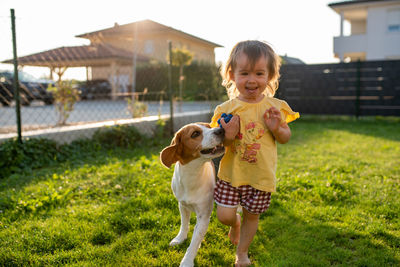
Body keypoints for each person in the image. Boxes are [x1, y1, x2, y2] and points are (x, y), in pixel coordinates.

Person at [210, 40, 299, 266]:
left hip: (260, 177)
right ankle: (234, 224)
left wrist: (277, 128)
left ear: (270, 76)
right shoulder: (225, 110)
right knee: (225, 216)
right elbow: (220, 146)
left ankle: (242, 253)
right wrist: (228, 135)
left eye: (259, 73)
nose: (252, 80)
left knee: (253, 216)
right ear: (231, 74)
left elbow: (285, 137)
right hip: (231, 175)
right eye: (245, 73)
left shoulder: (275, 108)